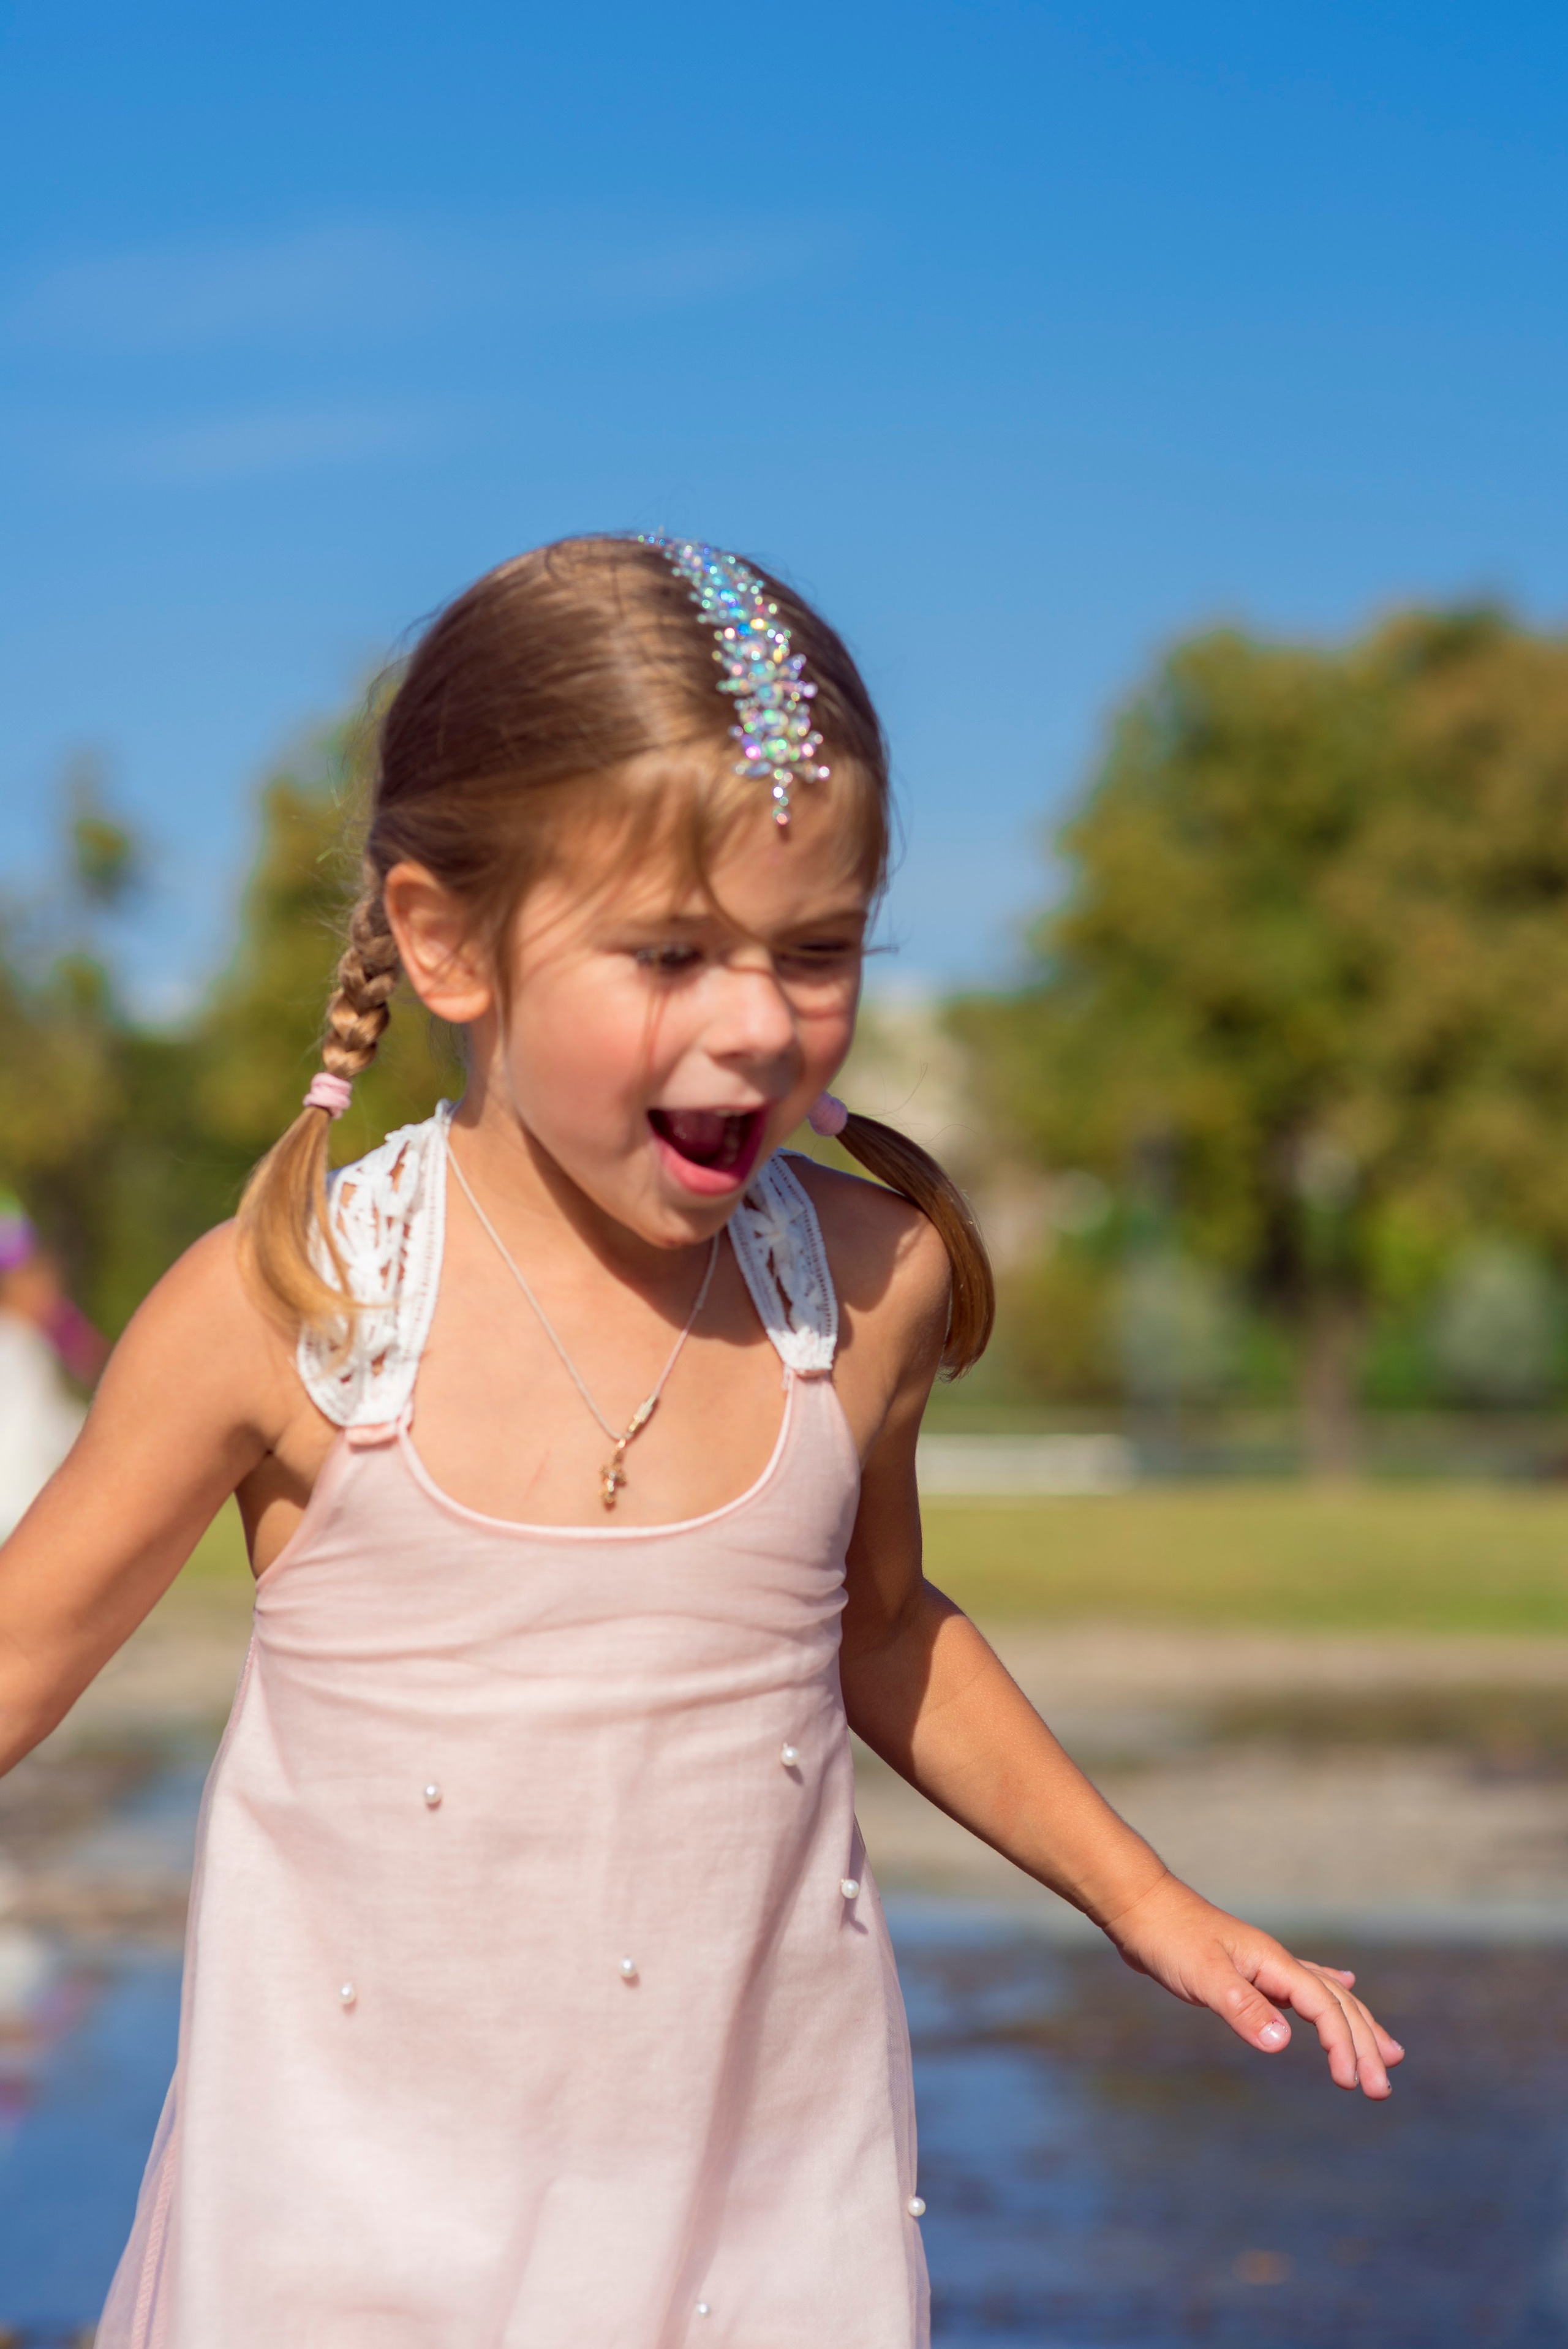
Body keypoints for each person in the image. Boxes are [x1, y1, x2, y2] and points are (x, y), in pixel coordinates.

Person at [0, 536, 1401, 2347]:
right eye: (669, 953)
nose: (757, 1024)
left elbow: (879, 1629)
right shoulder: (295, 1306)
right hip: (341, 2238)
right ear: (446, 942)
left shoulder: (863, 1290)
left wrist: (1149, 1902)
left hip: (758, 2221)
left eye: (814, 952)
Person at [0, 1196, 106, 1540]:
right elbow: (40, 1430)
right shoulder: (18, 1347)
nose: (52, 1287)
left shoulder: (27, 1343)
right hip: (17, 1511)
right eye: (37, 1274)